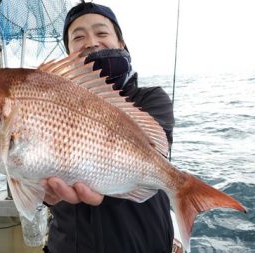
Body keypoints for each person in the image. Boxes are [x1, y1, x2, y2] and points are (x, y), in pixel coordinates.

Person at [40, 2, 177, 252]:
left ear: (122, 43)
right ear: (68, 52)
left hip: (142, 244)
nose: (91, 41)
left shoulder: (150, 99)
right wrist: (40, 191)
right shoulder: (50, 106)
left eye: (101, 33)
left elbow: (152, 158)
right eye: (78, 37)